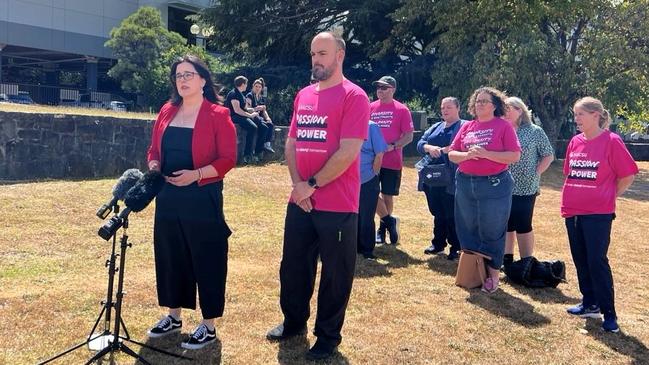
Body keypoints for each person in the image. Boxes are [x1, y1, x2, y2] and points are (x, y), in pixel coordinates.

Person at [266, 31, 370, 361]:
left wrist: (312, 184)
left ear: (339, 55)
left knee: (336, 273)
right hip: (300, 198)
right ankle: (294, 322)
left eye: (322, 53)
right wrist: (299, 186)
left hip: (337, 202)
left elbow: (348, 151)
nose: (316, 60)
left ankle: (327, 336)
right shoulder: (304, 95)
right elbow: (292, 143)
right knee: (293, 266)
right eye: (313, 54)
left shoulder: (355, 96)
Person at [145, 54, 237, 349]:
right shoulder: (167, 111)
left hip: (202, 196)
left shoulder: (218, 114)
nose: (182, 80)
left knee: (206, 258)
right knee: (171, 255)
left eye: (188, 74)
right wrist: (154, 165)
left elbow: (228, 159)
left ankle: (208, 325)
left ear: (203, 79)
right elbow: (153, 149)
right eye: (178, 75)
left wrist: (196, 174)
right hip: (168, 197)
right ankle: (173, 315)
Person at [562, 97, 638, 333]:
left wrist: (609, 195)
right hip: (572, 211)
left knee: (597, 261)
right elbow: (569, 173)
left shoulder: (612, 141)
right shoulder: (575, 142)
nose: (576, 120)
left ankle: (609, 313)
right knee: (581, 259)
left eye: (580, 115)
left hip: (598, 213)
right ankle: (589, 303)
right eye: (575, 115)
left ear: (596, 115)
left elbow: (628, 174)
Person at [448, 87, 521, 294]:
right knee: (467, 226)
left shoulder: (503, 126)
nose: (480, 104)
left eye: (485, 101)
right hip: (465, 182)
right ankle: (473, 271)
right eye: (477, 101)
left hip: (494, 184)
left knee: (492, 229)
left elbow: (514, 156)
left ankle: (493, 274)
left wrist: (487, 154)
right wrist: (466, 156)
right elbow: (453, 153)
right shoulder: (468, 126)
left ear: (495, 105)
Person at [502, 97, 554, 266]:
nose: (507, 112)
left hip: (526, 186)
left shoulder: (534, 131)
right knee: (505, 224)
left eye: (511, 108)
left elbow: (548, 154)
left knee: (523, 223)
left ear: (521, 111)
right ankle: (506, 258)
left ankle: (526, 260)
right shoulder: (500, 130)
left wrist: (537, 172)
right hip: (502, 184)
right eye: (505, 108)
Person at [418, 97, 465, 260]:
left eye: (449, 107)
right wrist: (429, 147)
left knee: (452, 212)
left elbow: (464, 145)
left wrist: (444, 150)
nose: (445, 110)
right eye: (443, 107)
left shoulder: (464, 126)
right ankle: (438, 243)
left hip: (452, 177)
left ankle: (456, 246)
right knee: (437, 211)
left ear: (458, 108)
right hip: (432, 177)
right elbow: (420, 143)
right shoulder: (436, 127)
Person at [371, 75, 414, 245]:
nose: (380, 91)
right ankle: (389, 221)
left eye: (384, 88)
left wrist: (394, 145)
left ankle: (382, 230)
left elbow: (409, 136)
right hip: (372, 160)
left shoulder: (402, 110)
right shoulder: (370, 107)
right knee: (371, 192)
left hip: (392, 160)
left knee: (387, 195)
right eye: (378, 87)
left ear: (393, 89)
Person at [358, 121, 388, 259]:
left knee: (366, 215)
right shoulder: (345, 122)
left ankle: (367, 250)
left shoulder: (371, 126)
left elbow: (380, 153)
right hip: (347, 179)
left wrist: (373, 174)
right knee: (352, 215)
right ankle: (354, 245)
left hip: (367, 178)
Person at [225, 76, 270, 163]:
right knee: (253, 127)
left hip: (242, 115)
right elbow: (237, 110)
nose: (246, 86)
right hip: (234, 117)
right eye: (246, 84)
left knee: (263, 127)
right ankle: (247, 155)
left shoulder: (240, 94)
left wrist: (255, 109)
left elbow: (246, 108)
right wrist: (250, 116)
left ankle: (257, 153)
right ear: (242, 84)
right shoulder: (233, 93)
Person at [246, 78, 275, 154]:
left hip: (260, 118)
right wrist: (256, 108)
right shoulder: (249, 95)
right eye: (256, 86)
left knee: (270, 124)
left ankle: (267, 145)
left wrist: (268, 118)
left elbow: (264, 110)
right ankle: (257, 152)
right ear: (253, 86)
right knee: (264, 128)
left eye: (259, 87)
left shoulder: (261, 97)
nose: (258, 88)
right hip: (252, 116)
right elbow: (247, 109)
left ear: (262, 88)